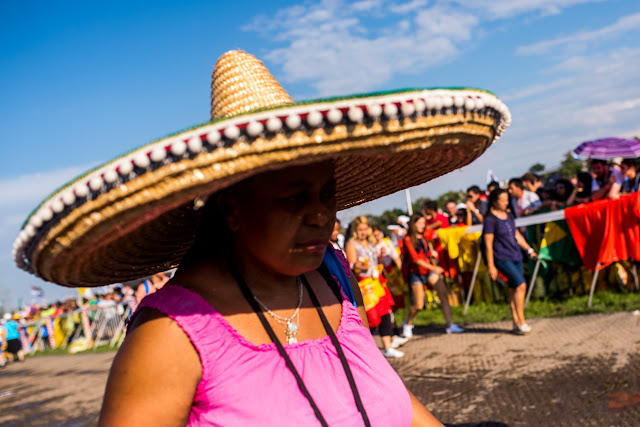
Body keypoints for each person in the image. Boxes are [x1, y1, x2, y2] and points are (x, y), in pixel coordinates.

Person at [14, 50, 509, 426]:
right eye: (293, 197)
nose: (320, 215)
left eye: (327, 193)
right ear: (233, 209)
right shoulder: (173, 334)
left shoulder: (333, 279)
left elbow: (393, 406)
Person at [346, 217, 405, 357]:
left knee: (385, 313)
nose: (363, 232)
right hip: (364, 284)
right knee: (371, 317)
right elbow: (351, 266)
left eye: (365, 229)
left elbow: (375, 261)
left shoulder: (370, 242)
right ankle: (363, 347)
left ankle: (387, 347)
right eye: (360, 229)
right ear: (355, 230)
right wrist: (358, 265)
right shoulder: (351, 244)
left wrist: (381, 257)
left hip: (376, 281)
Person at [483, 189, 538, 334]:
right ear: (495, 201)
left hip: (516, 255)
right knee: (521, 285)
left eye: (507, 199)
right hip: (502, 258)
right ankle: (521, 320)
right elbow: (488, 244)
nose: (506, 202)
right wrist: (491, 266)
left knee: (514, 289)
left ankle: (515, 322)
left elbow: (516, 234)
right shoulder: (489, 219)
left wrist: (529, 250)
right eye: (503, 200)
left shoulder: (508, 215)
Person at [402, 214, 463, 337]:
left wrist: (432, 254)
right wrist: (434, 267)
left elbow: (440, 224)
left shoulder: (425, 235)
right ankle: (407, 323)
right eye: (419, 223)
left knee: (443, 294)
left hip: (428, 271)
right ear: (413, 224)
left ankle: (449, 325)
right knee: (419, 305)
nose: (422, 226)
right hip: (416, 273)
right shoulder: (408, 239)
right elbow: (416, 259)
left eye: (424, 223)